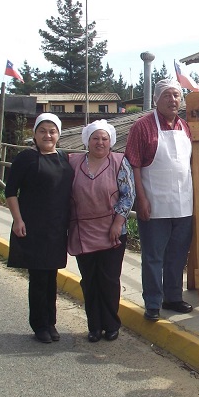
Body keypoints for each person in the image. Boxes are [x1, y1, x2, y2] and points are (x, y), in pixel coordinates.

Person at [125, 79, 194, 321]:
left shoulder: (185, 127)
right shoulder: (142, 127)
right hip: (154, 203)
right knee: (153, 256)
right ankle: (152, 302)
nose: (172, 100)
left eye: (176, 95)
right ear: (156, 99)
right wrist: (140, 199)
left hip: (184, 203)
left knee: (177, 254)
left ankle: (173, 297)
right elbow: (133, 165)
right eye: (167, 95)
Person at [5, 113, 74, 343]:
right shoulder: (26, 158)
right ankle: (39, 325)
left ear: (58, 134)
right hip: (33, 225)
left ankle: (51, 322)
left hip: (56, 226)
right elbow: (10, 191)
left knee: (51, 276)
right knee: (38, 277)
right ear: (35, 134)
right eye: (42, 130)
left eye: (52, 131)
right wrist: (18, 220)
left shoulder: (64, 158)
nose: (47, 135)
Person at [68, 120, 135, 342]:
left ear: (110, 141)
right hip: (83, 229)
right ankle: (94, 326)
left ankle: (111, 324)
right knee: (90, 280)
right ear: (87, 141)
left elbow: (128, 195)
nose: (100, 142)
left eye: (104, 138)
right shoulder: (73, 162)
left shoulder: (119, 161)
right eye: (95, 138)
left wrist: (117, 222)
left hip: (112, 229)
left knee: (109, 279)